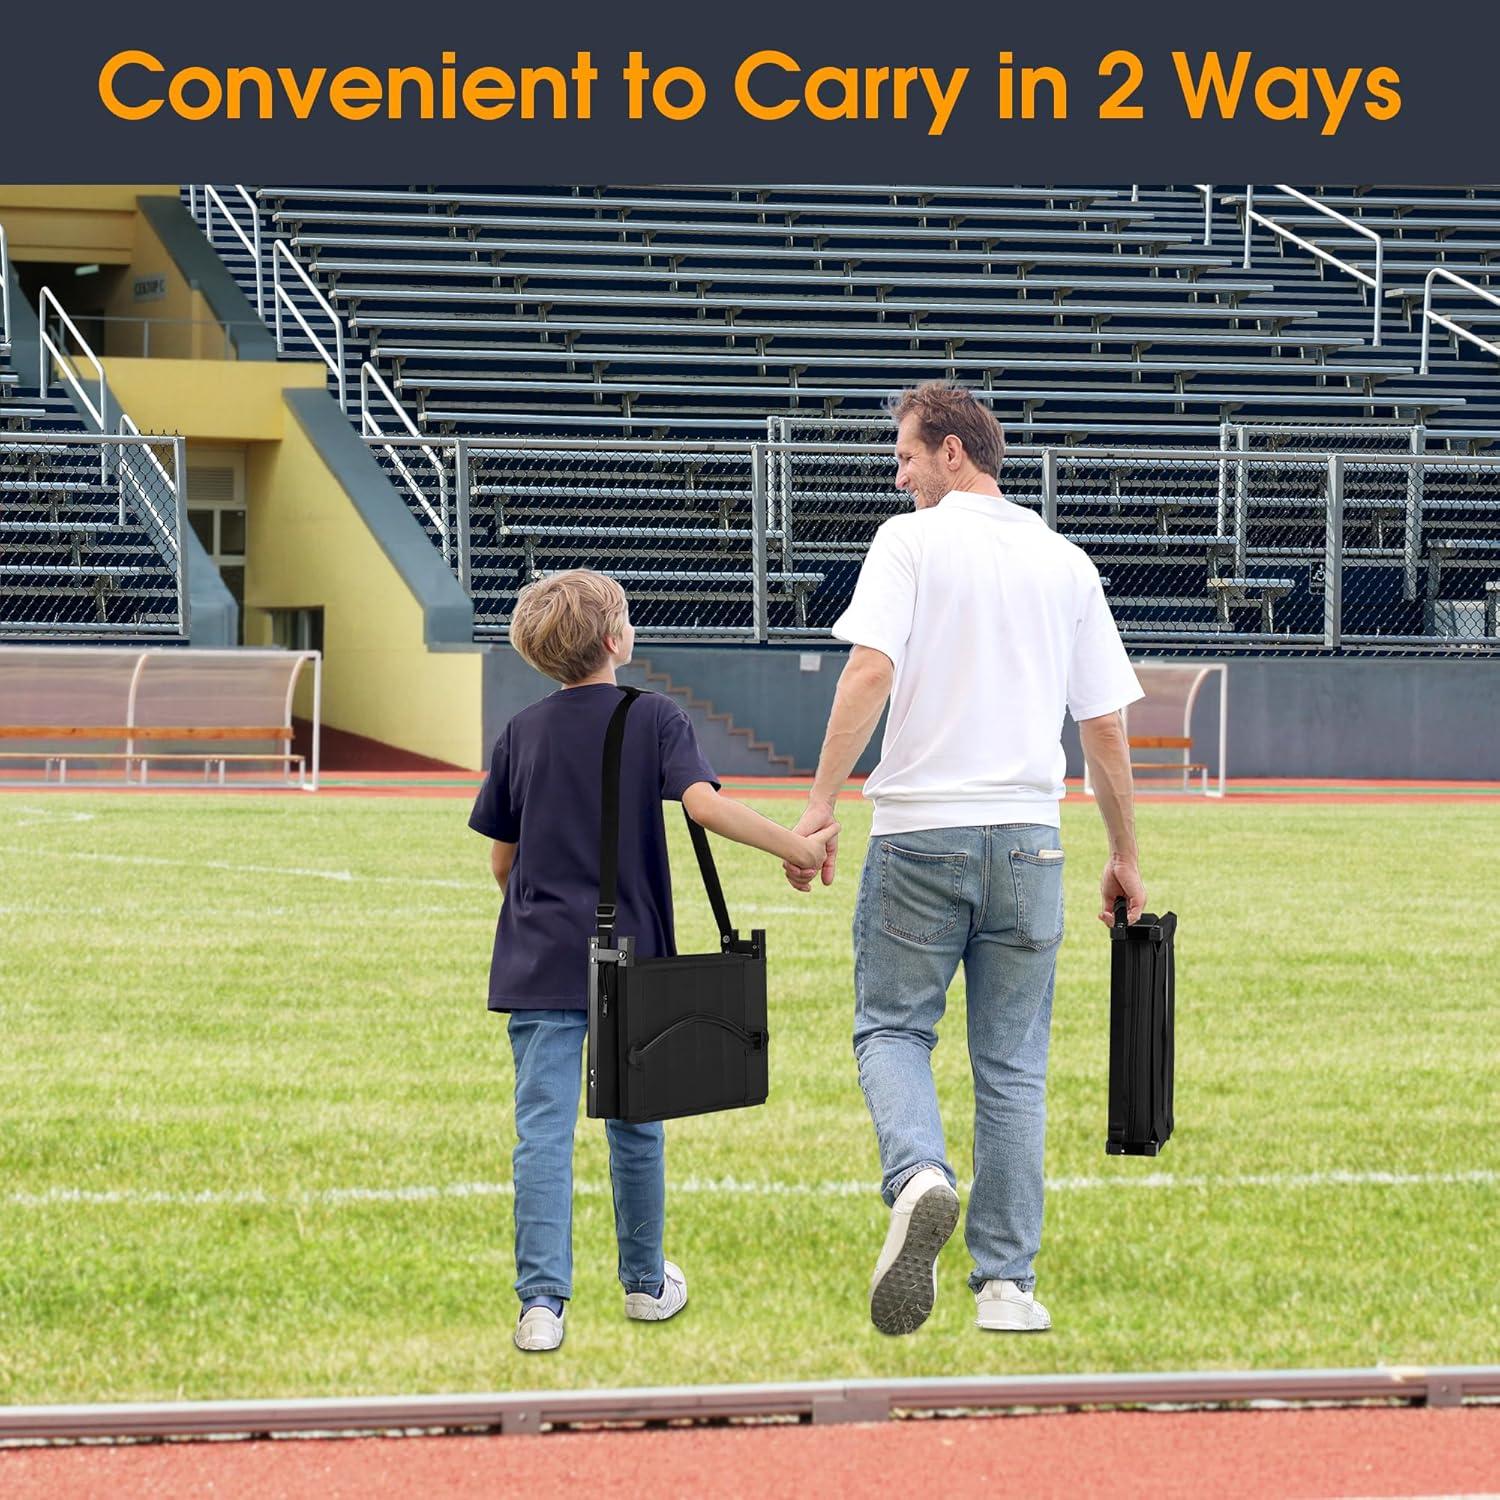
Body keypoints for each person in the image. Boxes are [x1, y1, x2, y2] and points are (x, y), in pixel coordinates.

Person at [783, 381, 1145, 1337]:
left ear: (953, 452)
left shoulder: (910, 542)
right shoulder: (1066, 560)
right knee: (1014, 1066)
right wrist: (1124, 856)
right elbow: (1103, 727)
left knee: (892, 1031)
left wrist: (819, 805)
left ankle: (919, 1175)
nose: (899, 475)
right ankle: (1007, 1287)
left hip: (919, 836)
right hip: (1031, 840)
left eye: (905, 455)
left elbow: (869, 672)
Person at [470, 569, 837, 1353]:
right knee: (637, 1123)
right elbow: (703, 805)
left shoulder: (520, 733)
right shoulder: (654, 716)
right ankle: (644, 1284)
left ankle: (541, 1304)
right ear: (616, 640)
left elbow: (502, 864)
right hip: (630, 957)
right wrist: (796, 845)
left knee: (541, 1131)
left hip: (538, 959)